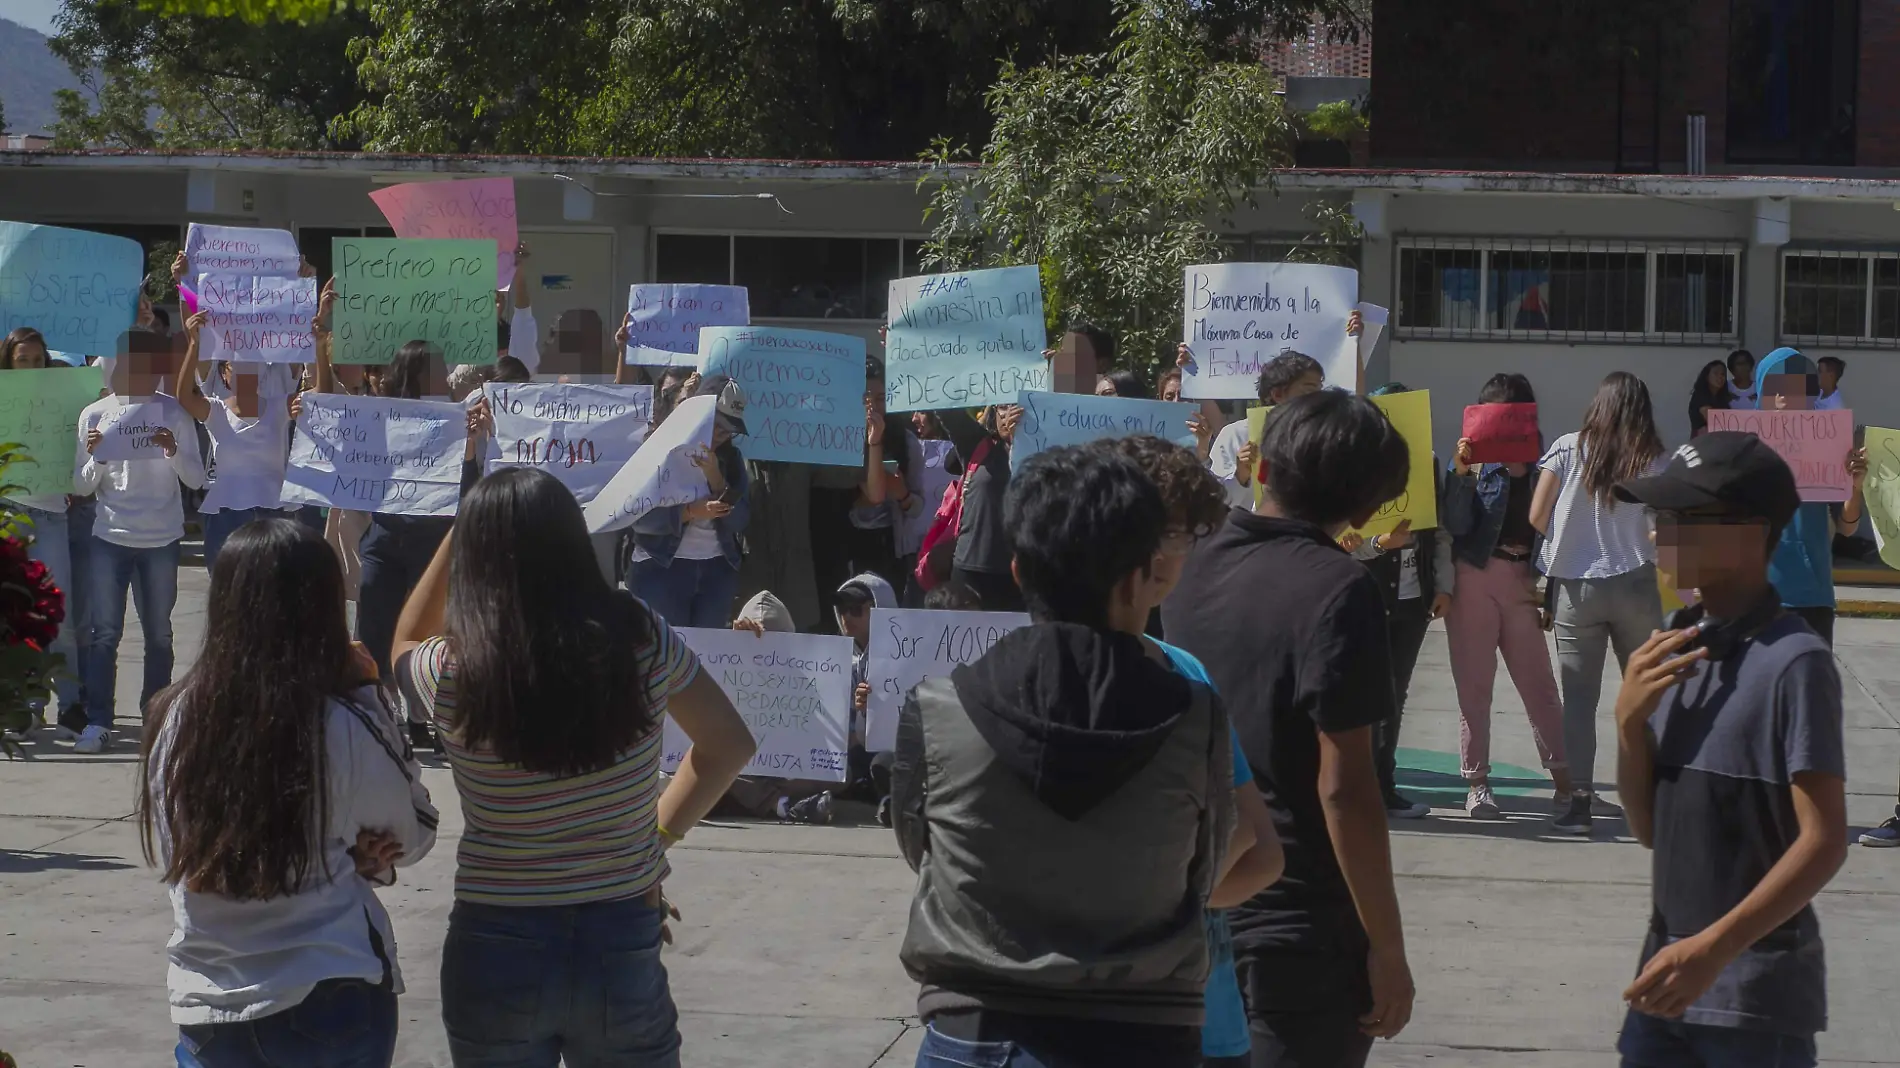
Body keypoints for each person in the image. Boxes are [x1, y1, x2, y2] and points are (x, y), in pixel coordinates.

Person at [391, 467, 757, 1068]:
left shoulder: (453, 669)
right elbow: (729, 746)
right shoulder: (640, 636)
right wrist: (655, 838)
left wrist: (461, 527)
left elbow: (403, 644)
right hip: (618, 928)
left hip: (496, 938)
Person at [891, 443, 1238, 1068]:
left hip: (974, 1031)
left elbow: (921, 849)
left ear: (1018, 570)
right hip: (1146, 1035)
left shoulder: (937, 710)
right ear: (1142, 573)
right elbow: (1204, 872)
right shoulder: (1197, 719)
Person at [1163, 390, 1415, 1068]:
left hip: (1189, 897)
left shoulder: (1187, 563)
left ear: (1265, 470)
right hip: (1299, 927)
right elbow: (1346, 788)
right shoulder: (1341, 590)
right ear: (1366, 506)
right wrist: (1387, 948)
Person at [138, 518, 437, 1068]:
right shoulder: (342, 720)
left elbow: (198, 847)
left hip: (208, 1003)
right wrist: (372, 697)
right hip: (323, 990)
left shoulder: (170, 717)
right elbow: (414, 832)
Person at [1610, 432, 1848, 1068]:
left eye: (1682, 519)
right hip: (1665, 986)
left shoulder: (1795, 661)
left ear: (1749, 533)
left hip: (1752, 1003)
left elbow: (1823, 841)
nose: (1660, 534)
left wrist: (1713, 950)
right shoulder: (1678, 643)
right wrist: (1629, 725)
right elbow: (1650, 830)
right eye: (1660, 517)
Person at [1093, 434, 1285, 1068]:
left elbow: (1259, 851)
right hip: (1188, 1009)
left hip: (1117, 1010)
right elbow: (1257, 852)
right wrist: (1182, 898)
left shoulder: (1186, 674)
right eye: (1171, 535)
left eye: (1181, 535)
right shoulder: (1183, 675)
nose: (1174, 555)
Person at [1531, 371, 1667, 836]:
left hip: (1576, 588)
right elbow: (1664, 527)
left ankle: (1579, 803)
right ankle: (1650, 796)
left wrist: (1572, 538)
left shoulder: (1569, 448)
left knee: (1579, 702)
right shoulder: (1653, 458)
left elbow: (1536, 515)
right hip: (1636, 584)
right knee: (1647, 695)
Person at [1441, 373, 1572, 819]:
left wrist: (1551, 592)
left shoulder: (1547, 463)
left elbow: (1558, 532)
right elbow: (1456, 526)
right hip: (1474, 575)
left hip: (1523, 581)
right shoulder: (1475, 465)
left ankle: (1565, 782)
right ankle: (1477, 785)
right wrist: (1460, 473)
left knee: (1540, 685)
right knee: (1474, 687)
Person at [72, 349, 207, 753]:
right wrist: (97, 458)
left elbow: (197, 477)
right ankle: (98, 721)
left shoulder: (174, 414)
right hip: (110, 536)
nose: (137, 376)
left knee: (159, 635)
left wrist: (172, 450)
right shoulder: (95, 415)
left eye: (146, 369)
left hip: (161, 539)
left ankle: (156, 718)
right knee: (104, 634)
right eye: (129, 368)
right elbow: (80, 487)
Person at [1347, 382, 1454, 820]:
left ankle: (1383, 786)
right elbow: (1339, 538)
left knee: (1394, 695)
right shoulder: (1350, 465)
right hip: (1363, 595)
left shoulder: (1426, 462)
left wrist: (1443, 584)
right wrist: (1378, 543)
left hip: (1412, 600)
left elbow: (1440, 530)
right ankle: (1354, 788)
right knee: (1357, 696)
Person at [0, 327, 89, 738]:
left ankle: (70, 707)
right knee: (18, 618)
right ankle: (27, 706)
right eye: (24, 360)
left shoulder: (65, 401)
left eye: (39, 361)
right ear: (9, 362)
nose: (32, 367)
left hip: (53, 516)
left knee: (63, 618)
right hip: (10, 517)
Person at [1755, 348, 1866, 648]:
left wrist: (1855, 488)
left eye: (1797, 388)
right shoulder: (1742, 450)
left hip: (1812, 596)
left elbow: (1847, 527)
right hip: (1754, 596)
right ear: (1762, 392)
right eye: (1775, 387)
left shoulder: (1829, 449)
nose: (1785, 397)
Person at [174, 312, 299, 570]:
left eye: (251, 365)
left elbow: (319, 392)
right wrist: (194, 345)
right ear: (225, 375)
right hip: (225, 519)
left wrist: (318, 346)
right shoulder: (215, 411)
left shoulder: (279, 407)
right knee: (227, 596)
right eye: (237, 365)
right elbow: (184, 396)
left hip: (273, 516)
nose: (245, 371)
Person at [629, 375, 752, 628]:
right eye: (718, 424)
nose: (723, 434)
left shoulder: (731, 457)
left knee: (705, 658)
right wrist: (690, 512)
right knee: (664, 655)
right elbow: (637, 517)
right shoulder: (656, 446)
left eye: (731, 429)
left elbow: (740, 521)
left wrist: (717, 478)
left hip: (717, 571)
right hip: (659, 569)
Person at [1206, 351, 1324, 509]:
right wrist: (1240, 476)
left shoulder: (1321, 437)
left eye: (1320, 391)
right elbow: (1216, 505)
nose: (1318, 399)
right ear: (1277, 394)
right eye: (1309, 390)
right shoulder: (1236, 435)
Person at [835, 571, 898, 813]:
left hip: (883, 751)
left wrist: (870, 711)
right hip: (842, 751)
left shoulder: (906, 659)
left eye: (856, 609)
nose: (846, 616)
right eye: (841, 608)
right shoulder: (829, 658)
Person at [1687, 360, 1729, 437]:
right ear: (1706, 376)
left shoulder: (1723, 398)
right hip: (1702, 442)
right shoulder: (1700, 395)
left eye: (1723, 374)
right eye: (1716, 373)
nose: (1720, 377)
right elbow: (1713, 419)